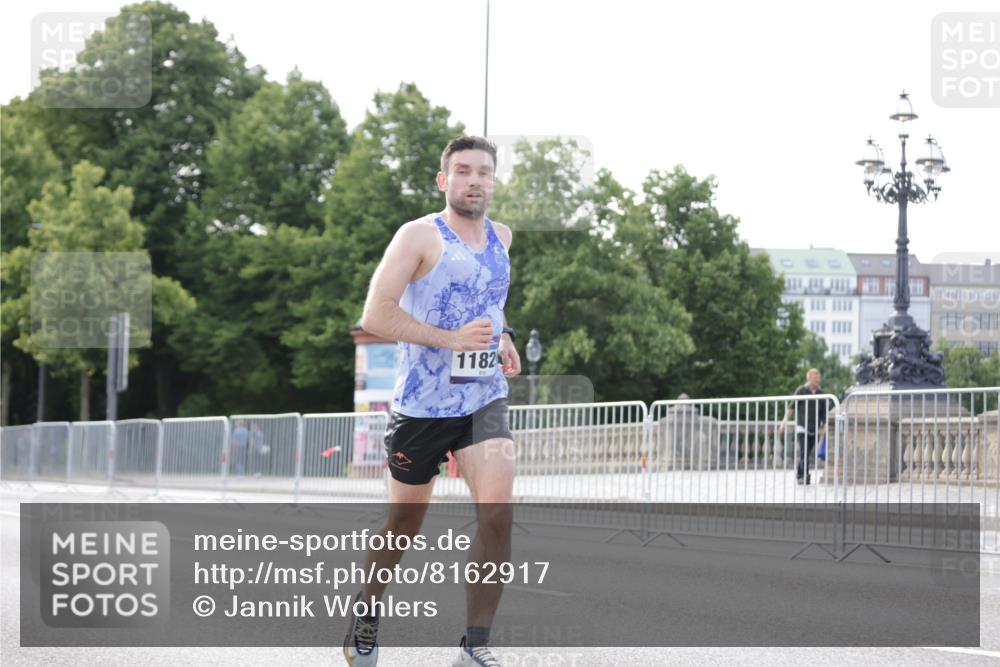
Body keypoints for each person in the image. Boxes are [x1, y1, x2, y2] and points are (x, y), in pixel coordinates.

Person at [344, 136, 521, 667]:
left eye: (484, 172)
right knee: (403, 526)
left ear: (493, 181)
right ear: (444, 180)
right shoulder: (418, 236)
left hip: (482, 398)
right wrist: (449, 340)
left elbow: (490, 302)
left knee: (497, 515)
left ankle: (474, 647)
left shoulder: (503, 238)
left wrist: (504, 337)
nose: (474, 180)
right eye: (463, 171)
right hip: (422, 408)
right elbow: (375, 315)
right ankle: (367, 614)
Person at [778, 368, 828, 485]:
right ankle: (805, 476)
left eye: (818, 377)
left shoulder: (822, 394)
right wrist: (784, 421)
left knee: (807, 453)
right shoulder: (801, 390)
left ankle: (800, 473)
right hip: (802, 427)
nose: (818, 379)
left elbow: (823, 412)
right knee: (804, 452)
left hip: (814, 428)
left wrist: (826, 425)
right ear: (809, 378)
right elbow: (791, 407)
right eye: (815, 377)